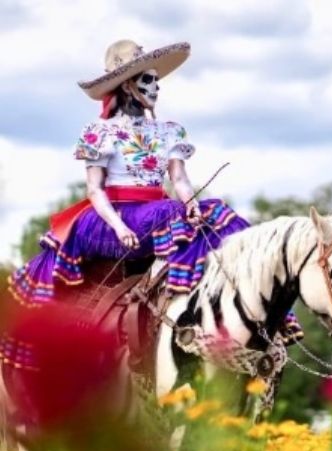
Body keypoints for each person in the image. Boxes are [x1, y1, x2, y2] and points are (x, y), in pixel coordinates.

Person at [7, 39, 302, 340]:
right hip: (112, 217)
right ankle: (182, 293)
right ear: (127, 86)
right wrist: (120, 227)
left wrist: (192, 204)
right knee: (170, 213)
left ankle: (257, 310)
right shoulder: (100, 133)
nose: (156, 87)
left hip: (157, 212)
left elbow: (180, 179)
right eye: (147, 80)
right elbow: (95, 190)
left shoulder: (168, 131)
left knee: (222, 216)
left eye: (156, 80)